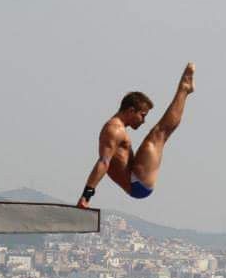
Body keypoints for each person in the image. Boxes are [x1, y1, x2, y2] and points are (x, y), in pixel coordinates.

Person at [77, 62, 196, 207]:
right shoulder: (114, 130)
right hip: (137, 183)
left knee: (160, 134)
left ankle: (184, 90)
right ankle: (184, 89)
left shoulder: (117, 128)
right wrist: (86, 196)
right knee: (159, 133)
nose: (143, 121)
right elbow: (103, 162)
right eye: (142, 115)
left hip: (136, 180)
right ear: (131, 111)